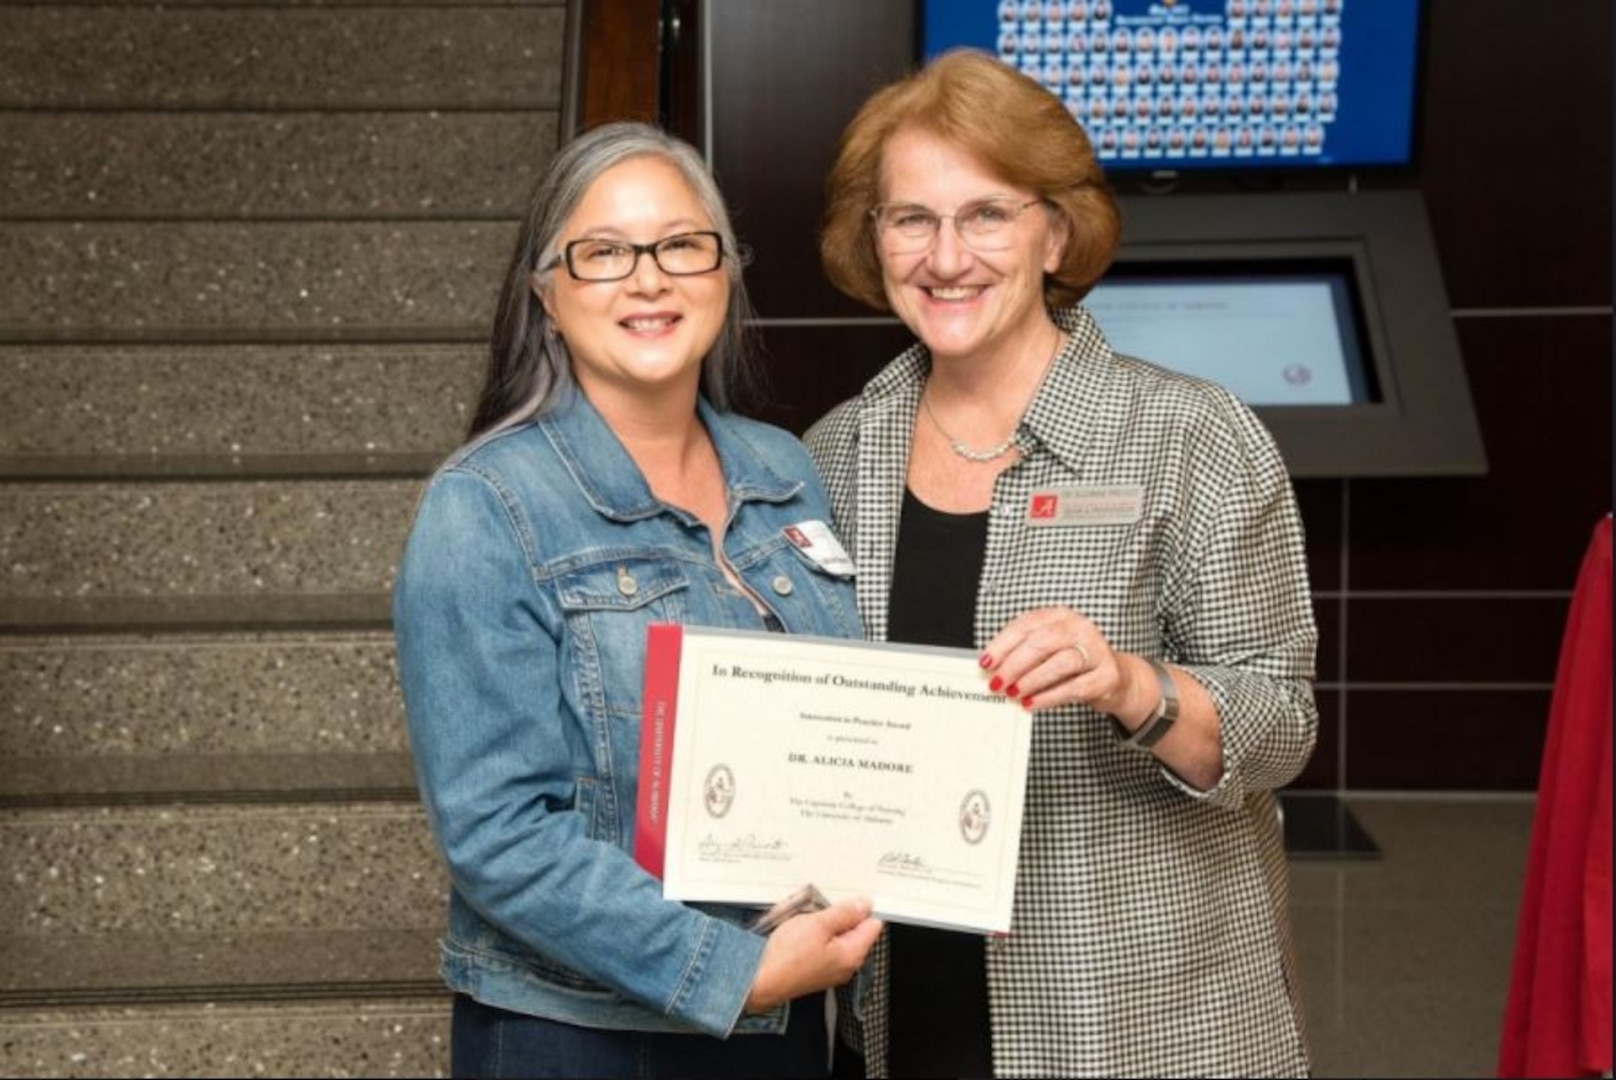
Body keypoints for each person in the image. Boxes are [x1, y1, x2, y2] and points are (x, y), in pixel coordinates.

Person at [807, 50, 1318, 1078]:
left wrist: (1135, 686)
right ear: (871, 241)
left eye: (986, 214)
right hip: (905, 999)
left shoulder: (1189, 437)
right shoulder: (831, 456)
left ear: (1055, 231)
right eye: (910, 218)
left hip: (1136, 1016)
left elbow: (1282, 732)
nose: (945, 256)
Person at [393, 121, 883, 1079]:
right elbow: (498, 836)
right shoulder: (484, 507)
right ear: (547, 293)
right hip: (578, 1037)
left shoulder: (785, 470)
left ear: (724, 272)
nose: (649, 278)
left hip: (784, 1024)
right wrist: (732, 971)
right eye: (604, 253)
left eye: (680, 244)